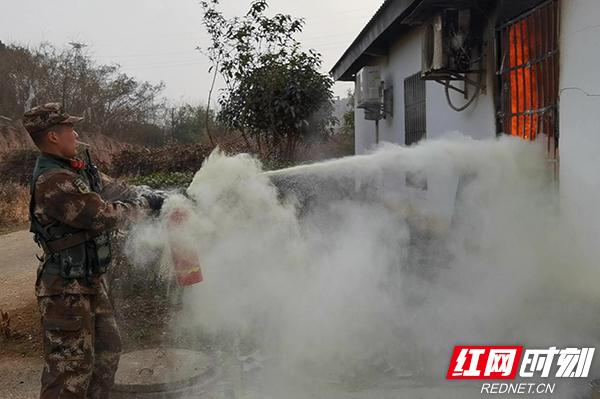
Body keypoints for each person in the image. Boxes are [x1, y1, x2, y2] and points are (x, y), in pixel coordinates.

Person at [22, 102, 165, 399]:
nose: (75, 133)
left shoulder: (77, 170)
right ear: (52, 136)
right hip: (65, 290)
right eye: (70, 128)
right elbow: (103, 216)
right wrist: (147, 205)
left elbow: (117, 190)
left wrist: (154, 193)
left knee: (107, 352)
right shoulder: (53, 181)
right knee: (69, 371)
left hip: (89, 282)